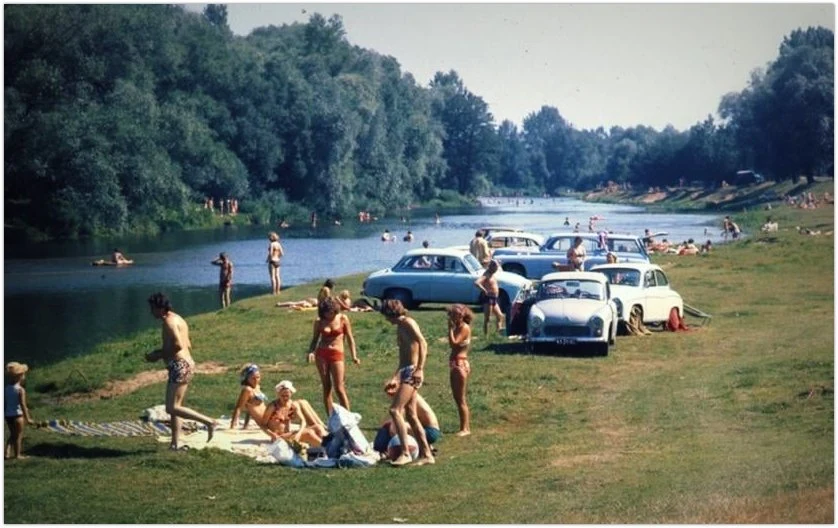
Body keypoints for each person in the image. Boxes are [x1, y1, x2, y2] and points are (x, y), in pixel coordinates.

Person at [144, 293, 216, 450]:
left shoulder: (168, 322)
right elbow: (188, 343)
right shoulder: (178, 318)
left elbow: (178, 345)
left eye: (153, 309)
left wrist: (157, 355)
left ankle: (209, 422)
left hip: (180, 365)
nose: (151, 312)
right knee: (176, 406)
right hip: (186, 364)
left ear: (161, 308)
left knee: (171, 407)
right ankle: (175, 444)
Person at [380, 299, 434, 466]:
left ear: (391, 313)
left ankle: (405, 453)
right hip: (405, 371)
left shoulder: (408, 322)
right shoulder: (399, 327)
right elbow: (403, 357)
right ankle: (426, 454)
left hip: (412, 372)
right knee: (411, 415)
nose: (386, 320)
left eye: (386, 316)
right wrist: (395, 377)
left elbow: (423, 343)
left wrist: (420, 369)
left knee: (395, 410)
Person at [306, 297, 360, 415]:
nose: (329, 315)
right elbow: (315, 339)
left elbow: (350, 338)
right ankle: (331, 418)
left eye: (331, 312)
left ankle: (348, 418)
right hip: (322, 354)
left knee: (339, 388)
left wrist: (354, 356)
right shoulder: (319, 321)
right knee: (327, 387)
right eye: (327, 313)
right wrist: (311, 351)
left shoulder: (342, 318)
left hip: (337, 353)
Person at [373, 392, 441, 457]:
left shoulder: (404, 394)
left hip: (429, 432)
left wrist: (395, 446)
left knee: (393, 428)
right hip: (429, 430)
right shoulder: (411, 391)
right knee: (391, 427)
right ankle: (425, 446)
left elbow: (397, 421)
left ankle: (403, 452)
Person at [261, 381, 327, 446]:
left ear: (291, 394)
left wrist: (299, 433)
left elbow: (303, 421)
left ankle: (328, 443)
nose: (285, 398)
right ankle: (328, 449)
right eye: (282, 396)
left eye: (287, 395)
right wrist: (271, 434)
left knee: (318, 427)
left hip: (288, 434)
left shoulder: (292, 405)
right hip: (278, 437)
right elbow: (263, 425)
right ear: (278, 394)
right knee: (308, 433)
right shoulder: (273, 406)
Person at [447, 304, 473, 437]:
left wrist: (449, 329)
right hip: (455, 363)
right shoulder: (458, 327)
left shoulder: (464, 328)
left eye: (455, 315)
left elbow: (454, 343)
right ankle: (464, 426)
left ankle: (465, 428)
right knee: (457, 398)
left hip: (460, 364)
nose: (452, 318)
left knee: (460, 398)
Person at [5, 362, 34, 459]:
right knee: (18, 435)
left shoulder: (6, 389)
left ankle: (7, 452)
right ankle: (18, 455)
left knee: (12, 434)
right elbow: (23, 404)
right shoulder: (20, 390)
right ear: (20, 376)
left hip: (8, 415)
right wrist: (28, 418)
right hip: (18, 415)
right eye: (23, 374)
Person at [230, 364, 267, 429]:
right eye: (253, 378)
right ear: (247, 378)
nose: (256, 380)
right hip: (264, 421)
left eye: (258, 377)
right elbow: (238, 408)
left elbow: (249, 410)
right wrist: (233, 425)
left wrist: (245, 425)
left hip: (267, 418)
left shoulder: (257, 387)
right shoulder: (247, 390)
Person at [474, 260, 505, 335]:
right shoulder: (486, 275)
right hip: (488, 299)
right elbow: (476, 283)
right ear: (491, 267)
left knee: (500, 316)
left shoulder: (492, 274)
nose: (496, 270)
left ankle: (498, 332)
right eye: (495, 268)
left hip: (494, 299)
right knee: (488, 318)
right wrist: (484, 290)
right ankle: (486, 336)